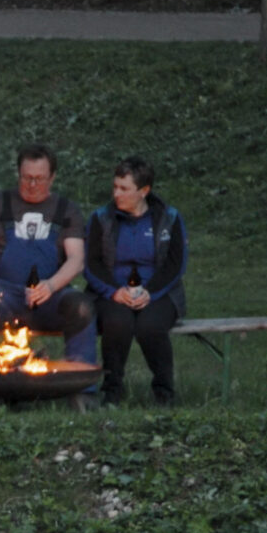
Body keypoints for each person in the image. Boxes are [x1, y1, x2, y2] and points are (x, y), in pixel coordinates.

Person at [0, 143, 96, 388]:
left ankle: (81, 387)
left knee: (81, 307)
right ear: (18, 174)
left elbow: (77, 260)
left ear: (52, 177)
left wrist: (51, 286)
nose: (32, 185)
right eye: (27, 178)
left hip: (51, 296)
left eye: (39, 179)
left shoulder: (66, 210)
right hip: (3, 296)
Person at [84, 157, 188, 406]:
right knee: (117, 322)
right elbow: (90, 263)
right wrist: (113, 291)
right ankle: (112, 392)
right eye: (115, 187)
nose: (116, 193)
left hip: (158, 293)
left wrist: (149, 292)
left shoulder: (168, 218)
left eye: (124, 188)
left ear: (144, 191)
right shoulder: (102, 218)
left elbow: (176, 265)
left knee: (150, 327)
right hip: (111, 292)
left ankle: (164, 394)